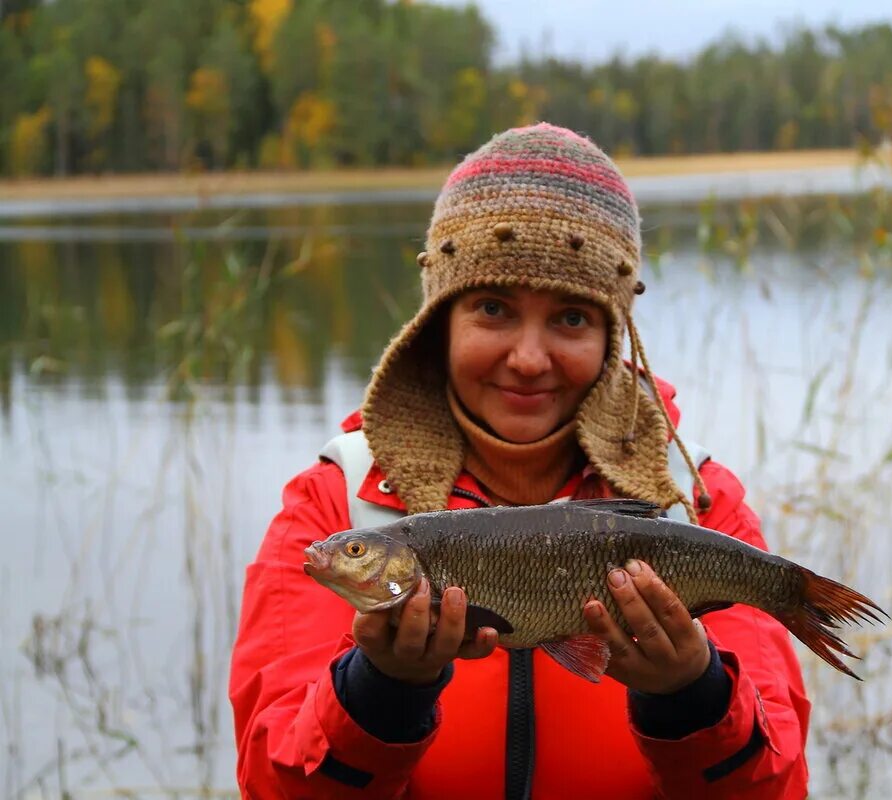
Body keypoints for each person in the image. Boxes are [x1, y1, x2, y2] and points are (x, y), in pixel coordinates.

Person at [229, 123, 811, 799]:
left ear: (612, 335)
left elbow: (777, 785)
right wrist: (379, 692)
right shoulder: (336, 504)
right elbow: (273, 784)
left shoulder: (694, 503)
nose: (529, 358)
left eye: (570, 318)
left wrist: (692, 696)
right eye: (494, 308)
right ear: (438, 320)